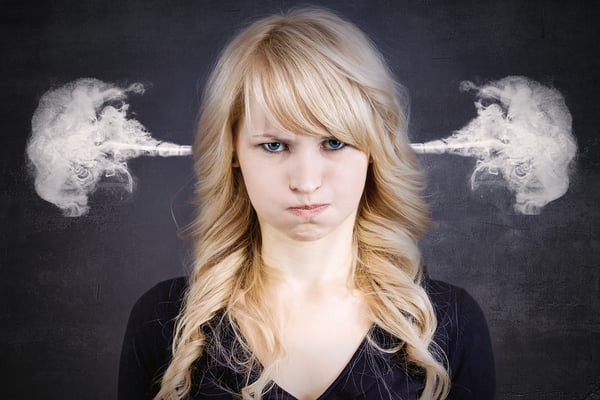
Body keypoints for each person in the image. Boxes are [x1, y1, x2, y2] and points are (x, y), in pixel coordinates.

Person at [118, 7, 495, 400]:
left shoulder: (450, 324)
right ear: (232, 150)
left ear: (372, 148)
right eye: (274, 145)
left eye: (334, 143)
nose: (306, 181)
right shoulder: (163, 322)